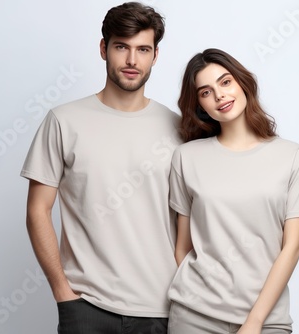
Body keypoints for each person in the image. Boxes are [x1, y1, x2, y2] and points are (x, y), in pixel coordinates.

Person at [20, 2, 181, 333]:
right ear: (103, 49)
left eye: (143, 49)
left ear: (155, 55)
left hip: (163, 309)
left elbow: (192, 221)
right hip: (87, 308)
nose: (132, 60)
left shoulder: (180, 130)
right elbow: (38, 210)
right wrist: (63, 293)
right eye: (122, 47)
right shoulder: (64, 121)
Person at [167, 48, 299, 334]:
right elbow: (183, 247)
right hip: (194, 316)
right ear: (200, 104)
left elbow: (292, 247)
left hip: (267, 320)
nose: (219, 96)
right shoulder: (186, 157)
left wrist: (254, 322)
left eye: (225, 82)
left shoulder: (293, 157)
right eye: (206, 92)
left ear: (242, 83)